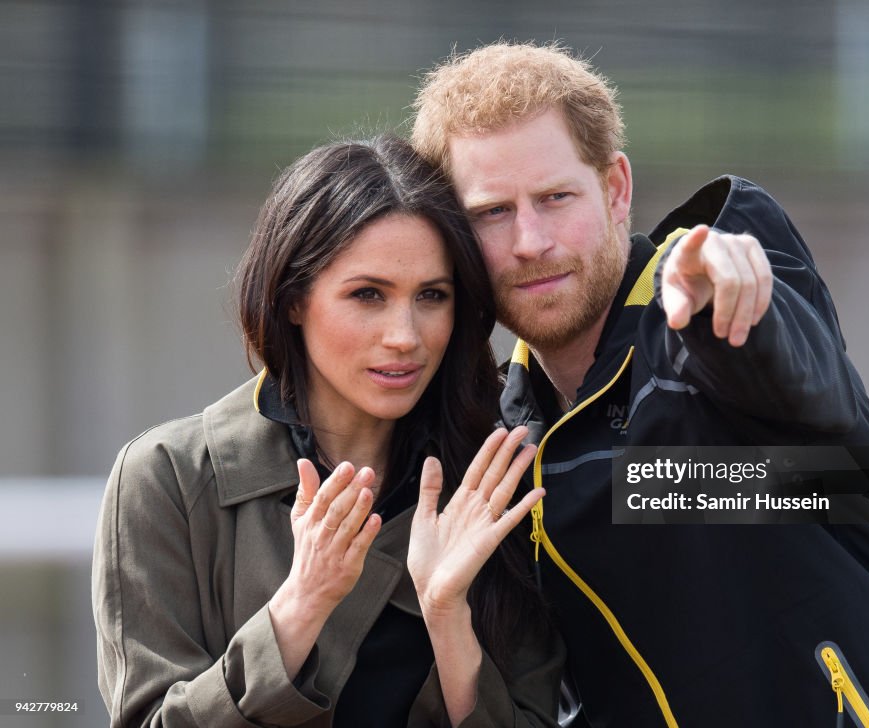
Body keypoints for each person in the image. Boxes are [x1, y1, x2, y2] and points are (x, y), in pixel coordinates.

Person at [411, 42, 869, 727]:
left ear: (616, 189)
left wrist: (731, 311)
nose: (530, 240)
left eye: (556, 198)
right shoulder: (500, 452)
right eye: (493, 212)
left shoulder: (699, 308)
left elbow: (806, 386)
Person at [91, 135, 564, 727]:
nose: (405, 336)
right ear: (293, 299)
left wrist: (446, 614)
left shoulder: (495, 479)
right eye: (368, 295)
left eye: (432, 296)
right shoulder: (168, 479)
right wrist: (301, 603)